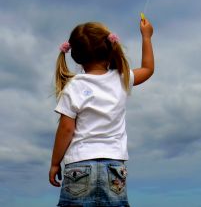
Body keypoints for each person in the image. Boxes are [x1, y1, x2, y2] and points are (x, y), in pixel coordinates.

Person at [49, 17, 154, 207]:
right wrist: (146, 37)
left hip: (79, 164)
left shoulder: (73, 86)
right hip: (114, 166)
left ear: (76, 56)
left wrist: (55, 162)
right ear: (110, 48)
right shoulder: (121, 79)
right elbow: (148, 68)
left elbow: (66, 129)